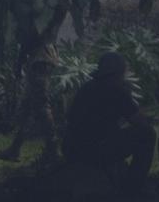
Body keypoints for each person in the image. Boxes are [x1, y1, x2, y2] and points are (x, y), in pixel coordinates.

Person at [60, 51, 152, 193]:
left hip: (72, 148)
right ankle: (134, 185)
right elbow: (140, 122)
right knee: (147, 134)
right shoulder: (116, 91)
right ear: (118, 72)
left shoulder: (87, 88)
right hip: (94, 150)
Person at [0, 35, 63, 164]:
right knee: (27, 106)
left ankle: (52, 148)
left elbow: (30, 37)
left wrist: (19, 62)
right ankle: (15, 148)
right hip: (41, 58)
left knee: (41, 106)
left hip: (39, 59)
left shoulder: (34, 19)